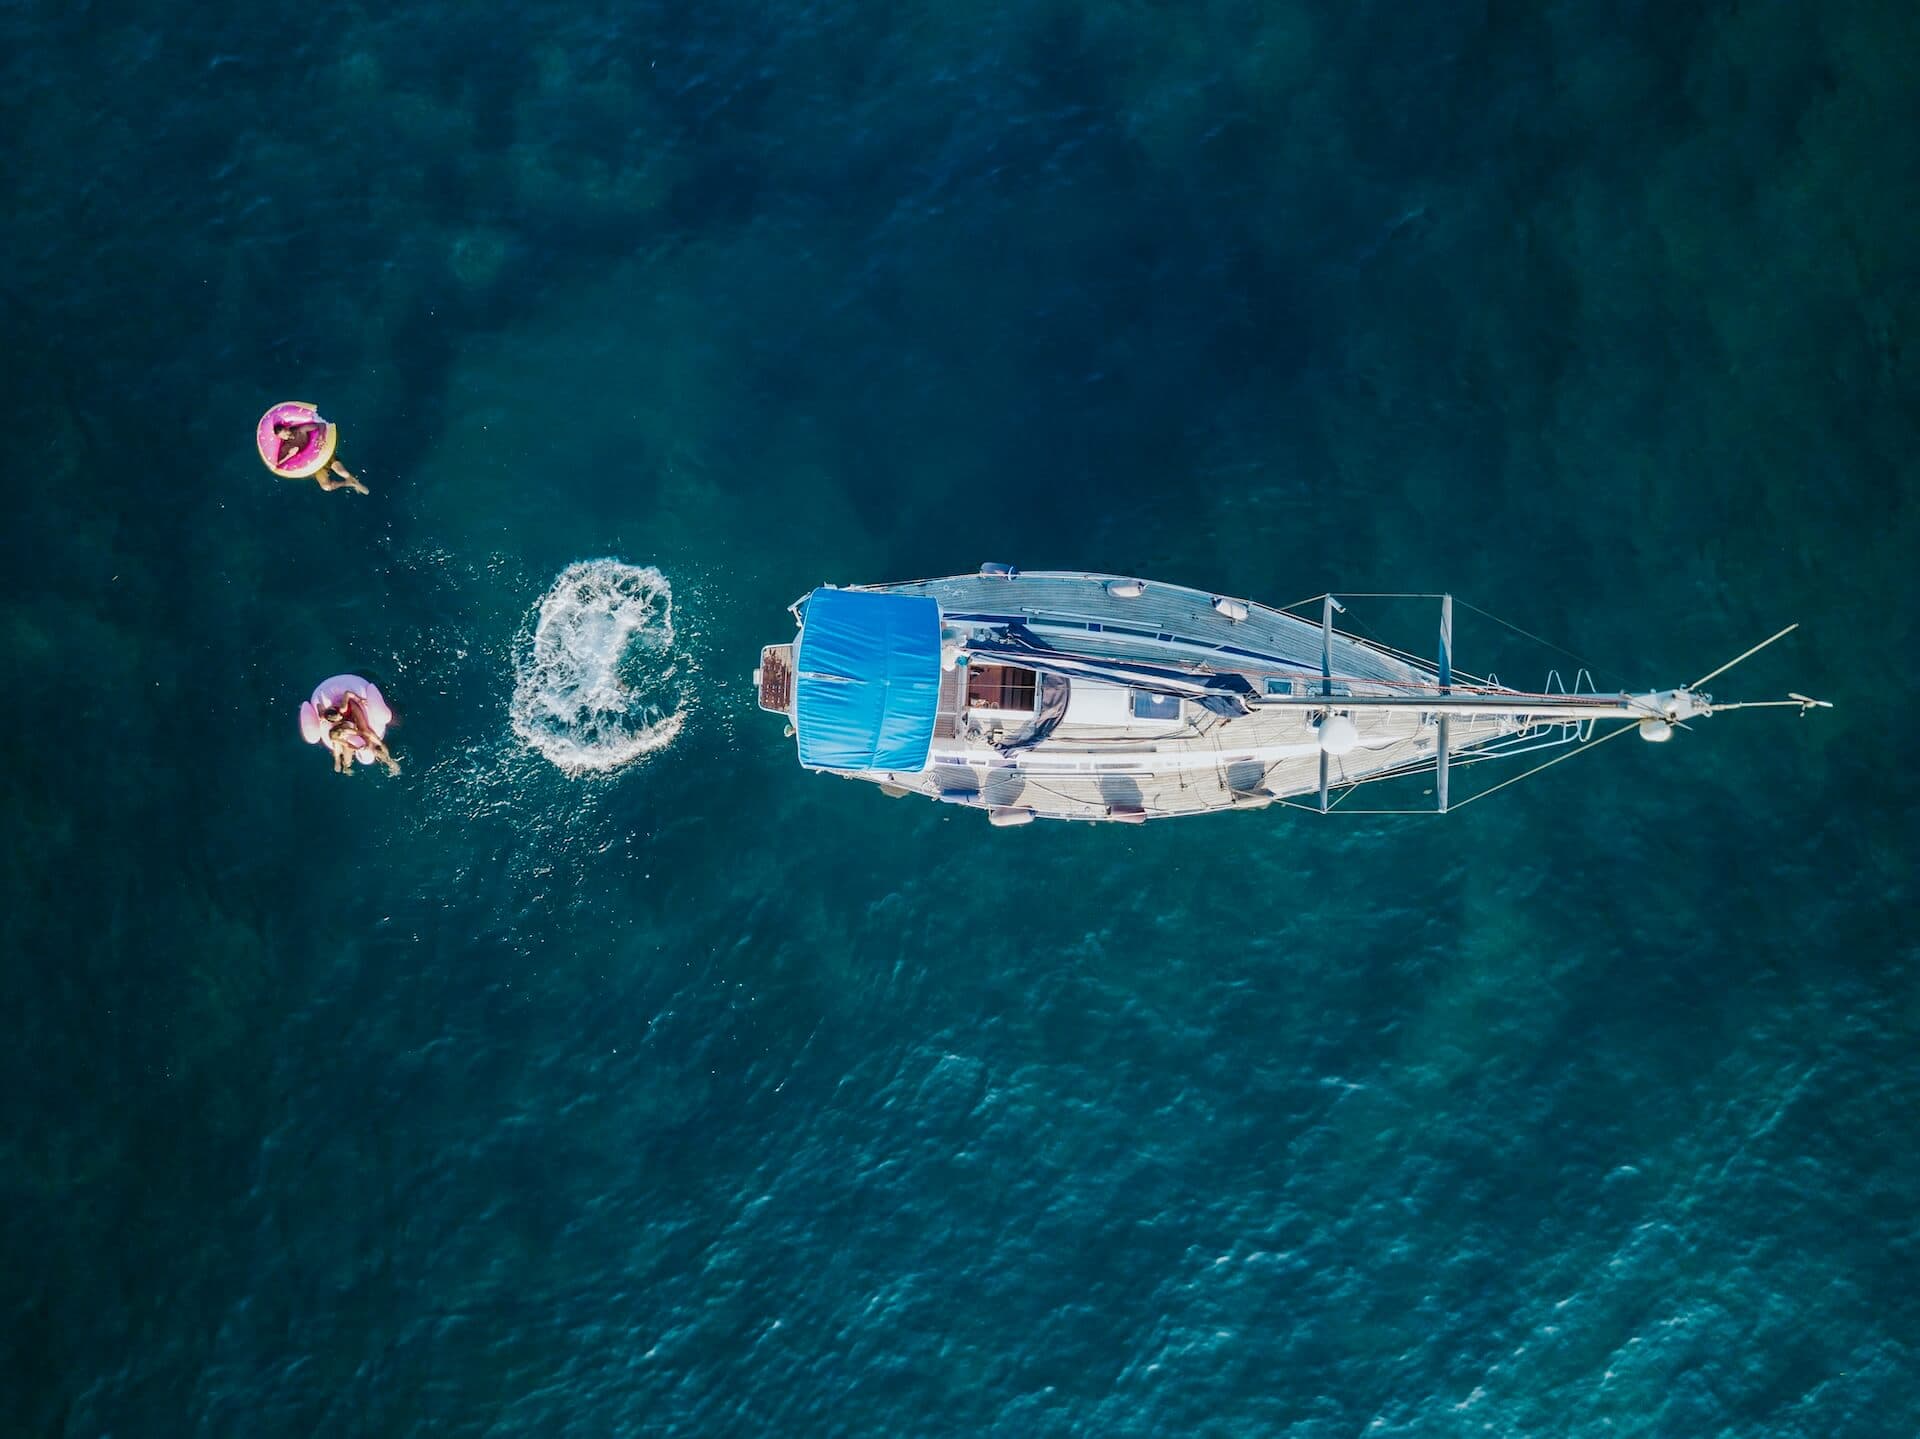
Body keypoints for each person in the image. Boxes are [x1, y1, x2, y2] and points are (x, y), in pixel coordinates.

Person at [272, 418, 368, 494]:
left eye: (286, 432)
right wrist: (289, 455)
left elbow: (321, 425)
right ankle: (347, 483)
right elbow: (277, 465)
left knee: (343, 472)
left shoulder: (300, 430)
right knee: (327, 487)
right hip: (314, 465)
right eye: (283, 436)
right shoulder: (286, 448)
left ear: (287, 428)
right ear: (281, 438)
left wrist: (321, 436)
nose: (287, 436)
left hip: (322, 454)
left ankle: (355, 483)